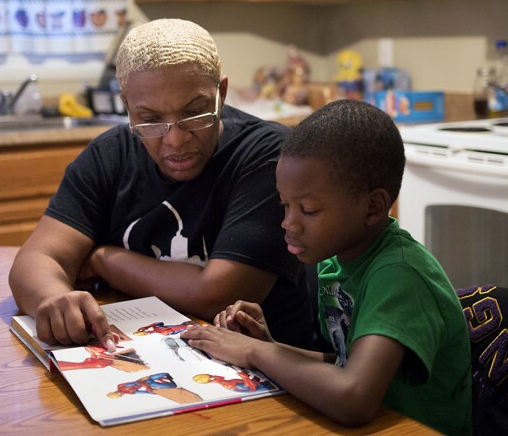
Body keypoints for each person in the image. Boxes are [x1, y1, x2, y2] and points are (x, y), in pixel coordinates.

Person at [8, 18, 314, 353]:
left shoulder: (268, 155)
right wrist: (54, 299)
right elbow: (36, 259)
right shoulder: (109, 156)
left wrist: (104, 260)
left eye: (195, 112)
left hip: (275, 374)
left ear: (221, 94)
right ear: (127, 106)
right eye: (151, 120)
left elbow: (218, 294)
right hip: (153, 354)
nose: (176, 139)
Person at [181, 99, 473, 434]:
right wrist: (268, 346)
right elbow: (345, 364)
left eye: (308, 209)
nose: (288, 223)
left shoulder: (399, 275)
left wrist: (254, 353)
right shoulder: (335, 265)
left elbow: (354, 397)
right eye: (284, 205)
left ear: (373, 206)